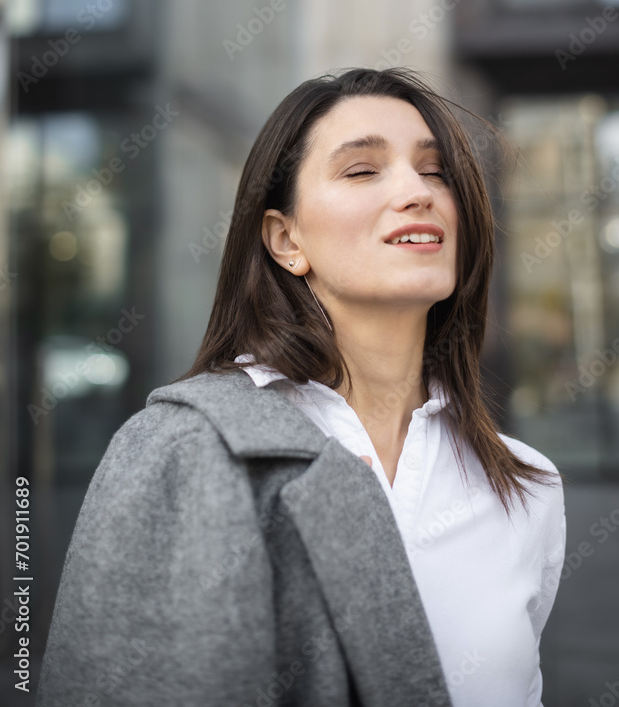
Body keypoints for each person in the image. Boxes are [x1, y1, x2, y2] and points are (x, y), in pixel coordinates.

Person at [37, 66, 566, 707]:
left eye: (436, 171)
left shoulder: (524, 485)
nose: (417, 191)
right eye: (363, 170)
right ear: (286, 239)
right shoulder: (181, 448)